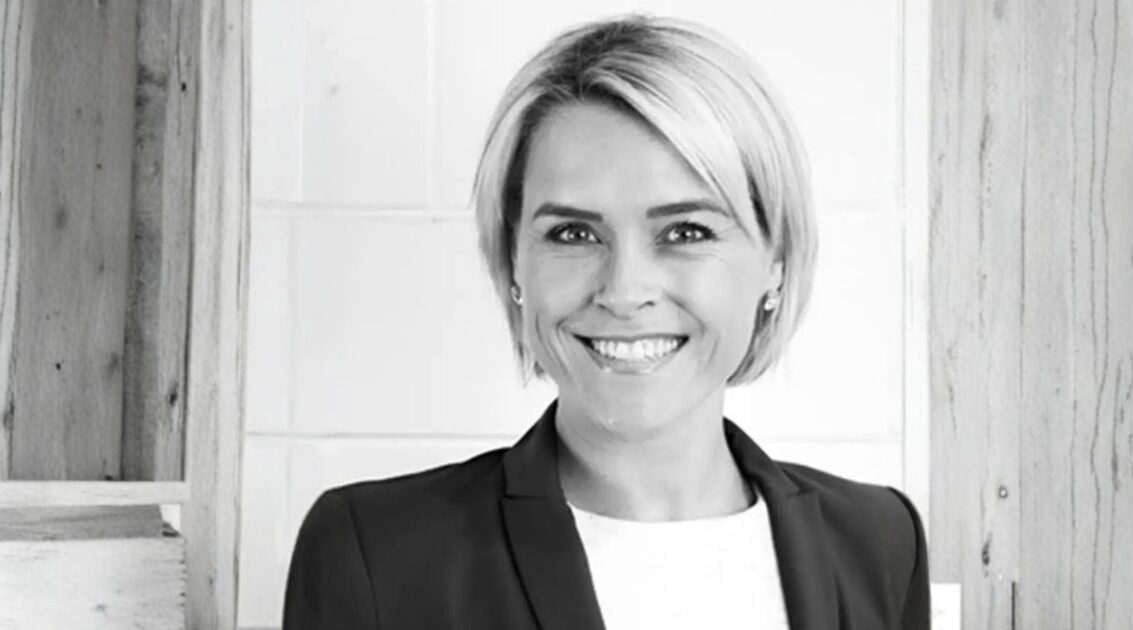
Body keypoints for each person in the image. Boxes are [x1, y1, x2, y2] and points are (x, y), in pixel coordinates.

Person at [283, 14, 930, 630]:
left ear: (775, 264)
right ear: (512, 261)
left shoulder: (880, 540)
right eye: (573, 233)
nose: (624, 292)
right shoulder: (375, 553)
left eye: (685, 231)